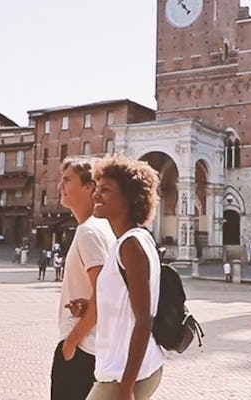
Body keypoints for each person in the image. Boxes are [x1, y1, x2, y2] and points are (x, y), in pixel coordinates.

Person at [86, 154, 164, 400]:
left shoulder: (131, 245)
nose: (96, 195)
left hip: (125, 375)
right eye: (97, 188)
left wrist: (126, 388)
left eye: (106, 190)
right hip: (127, 370)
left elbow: (143, 320)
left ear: (130, 198)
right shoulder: (131, 241)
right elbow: (124, 304)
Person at [51, 156, 118, 400]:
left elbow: (106, 295)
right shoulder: (104, 228)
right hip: (96, 350)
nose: (61, 186)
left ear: (89, 186)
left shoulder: (89, 231)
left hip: (82, 350)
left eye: (67, 180)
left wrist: (71, 343)